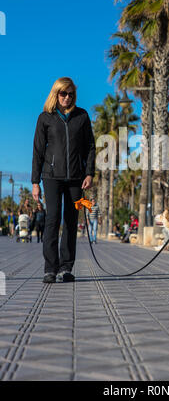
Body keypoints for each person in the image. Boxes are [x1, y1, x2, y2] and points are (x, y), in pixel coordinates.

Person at [31, 77, 95, 284]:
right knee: (52, 220)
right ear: (56, 94)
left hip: (76, 178)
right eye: (63, 93)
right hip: (51, 177)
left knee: (70, 221)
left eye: (71, 94)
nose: (67, 97)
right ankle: (50, 268)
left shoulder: (82, 116)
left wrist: (89, 173)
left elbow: (90, 148)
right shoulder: (45, 118)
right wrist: (35, 182)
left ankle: (66, 268)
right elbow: (38, 151)